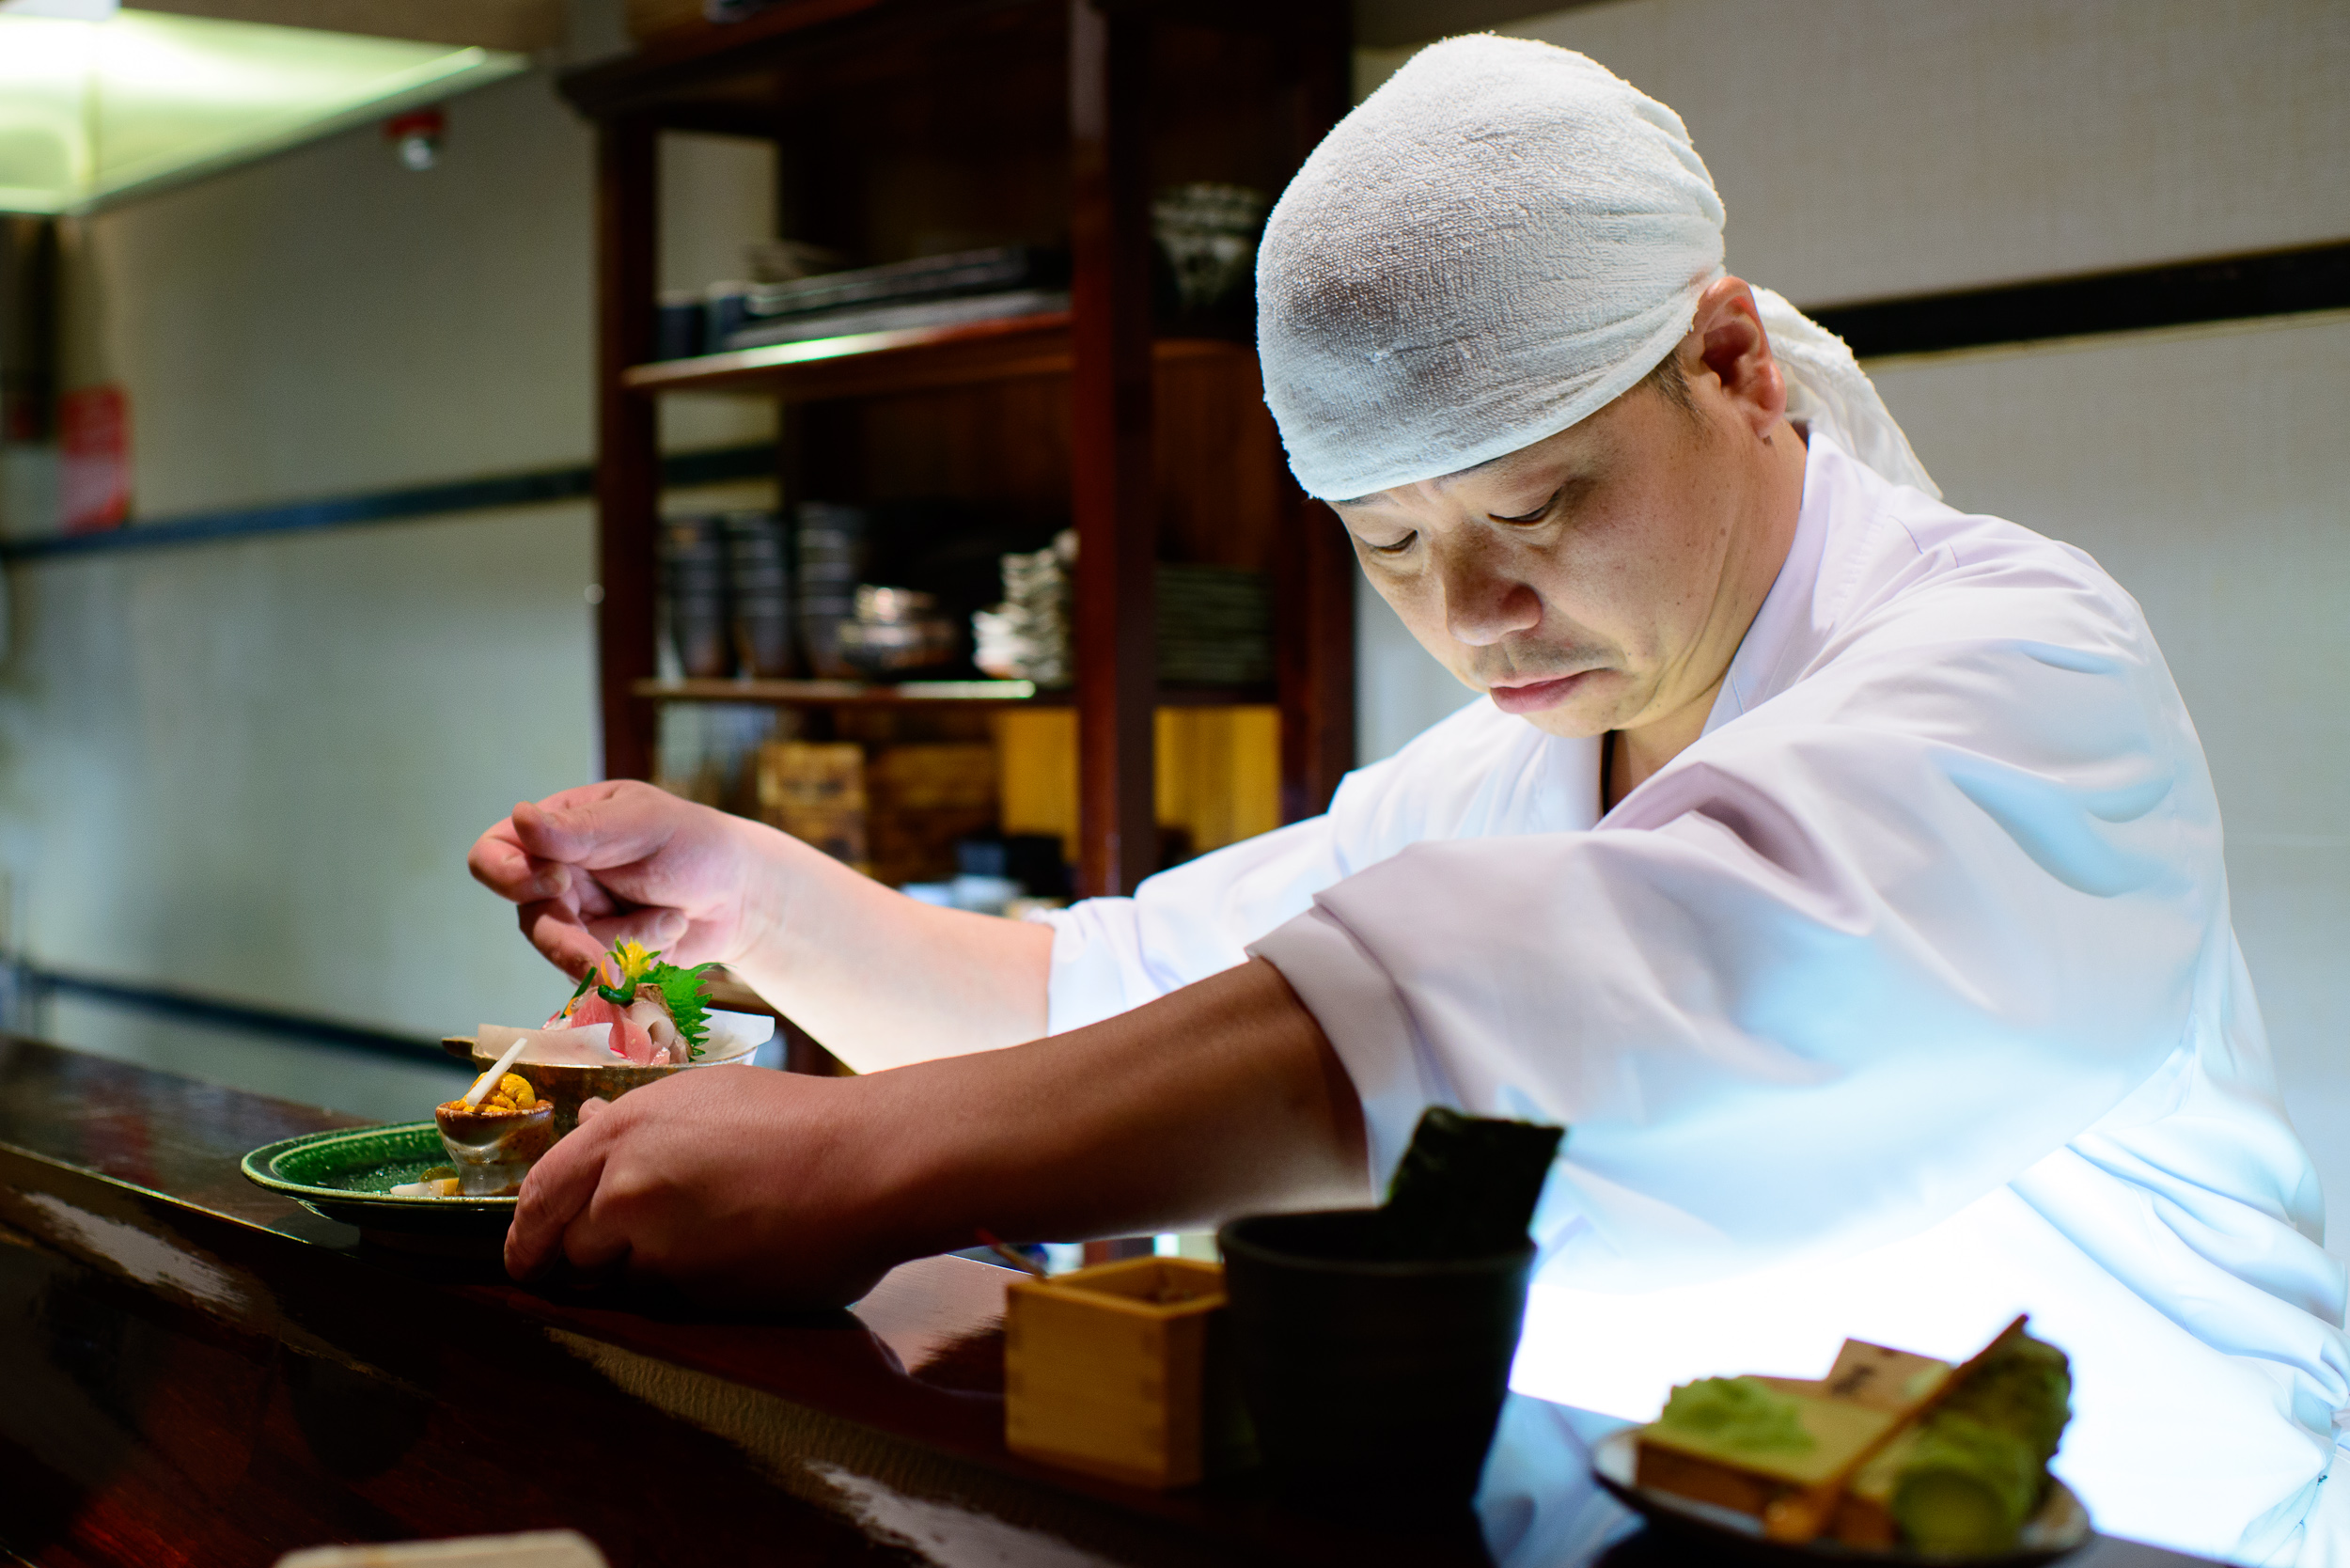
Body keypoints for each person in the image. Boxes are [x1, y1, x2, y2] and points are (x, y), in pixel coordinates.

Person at [470, 36, 2349, 1560]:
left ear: (1729, 360)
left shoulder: (2012, 662)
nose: (1468, 613)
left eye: (1532, 512)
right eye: (1388, 542)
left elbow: (1561, 998)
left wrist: (867, 1163)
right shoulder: (1515, 756)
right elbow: (1128, 1004)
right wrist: (762, 909)